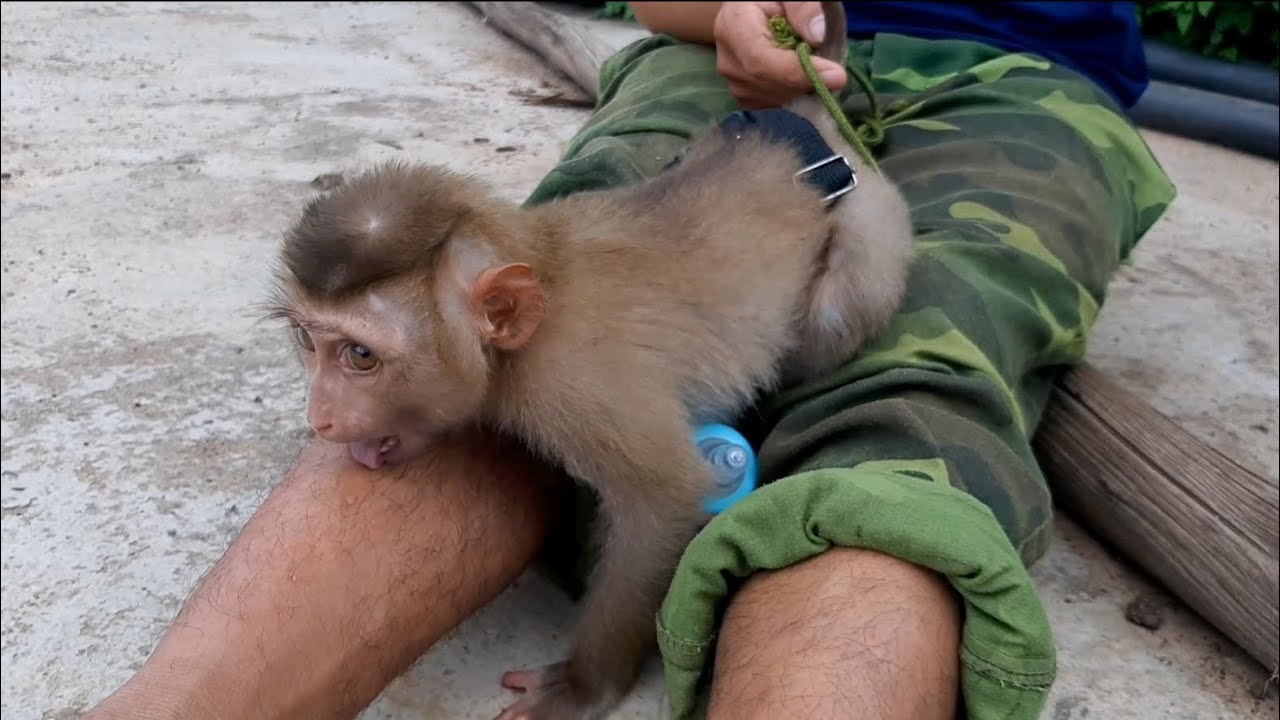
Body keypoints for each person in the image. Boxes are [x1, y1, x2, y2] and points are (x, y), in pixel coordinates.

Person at [85, 2, 1175, 719]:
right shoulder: (488, 298)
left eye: (348, 358)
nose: (318, 412)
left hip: (1019, 85)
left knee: (906, 374)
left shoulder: (515, 325)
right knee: (505, 314)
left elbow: (663, 496)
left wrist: (590, 677)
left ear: (509, 311)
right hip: (724, 73)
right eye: (309, 347)